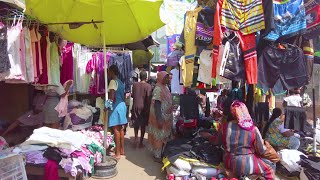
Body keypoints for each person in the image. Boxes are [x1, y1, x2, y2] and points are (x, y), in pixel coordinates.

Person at [201, 101, 275, 179]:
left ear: (232, 113)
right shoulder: (253, 128)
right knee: (270, 168)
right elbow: (261, 150)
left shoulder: (224, 127)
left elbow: (216, 142)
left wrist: (208, 136)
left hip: (229, 161)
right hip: (247, 162)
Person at [147, 71, 173, 162]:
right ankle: (157, 156)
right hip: (160, 117)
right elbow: (157, 104)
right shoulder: (158, 88)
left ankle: (161, 153)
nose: (167, 79)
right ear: (161, 78)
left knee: (163, 136)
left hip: (166, 117)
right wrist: (159, 119)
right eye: (165, 77)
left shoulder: (165, 87)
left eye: (168, 77)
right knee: (159, 136)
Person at [107, 65, 127, 160]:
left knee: (115, 129)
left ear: (112, 72)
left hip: (116, 107)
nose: (108, 74)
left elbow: (111, 97)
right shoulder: (121, 82)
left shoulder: (112, 82)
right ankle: (122, 150)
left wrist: (106, 107)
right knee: (121, 129)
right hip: (122, 106)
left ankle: (117, 153)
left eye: (109, 72)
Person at [131, 70, 152, 148]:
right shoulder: (148, 86)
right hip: (144, 107)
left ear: (139, 77)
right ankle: (141, 142)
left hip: (135, 105)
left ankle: (136, 138)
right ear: (146, 78)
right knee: (143, 125)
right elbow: (148, 98)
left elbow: (133, 95)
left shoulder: (135, 85)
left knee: (136, 123)